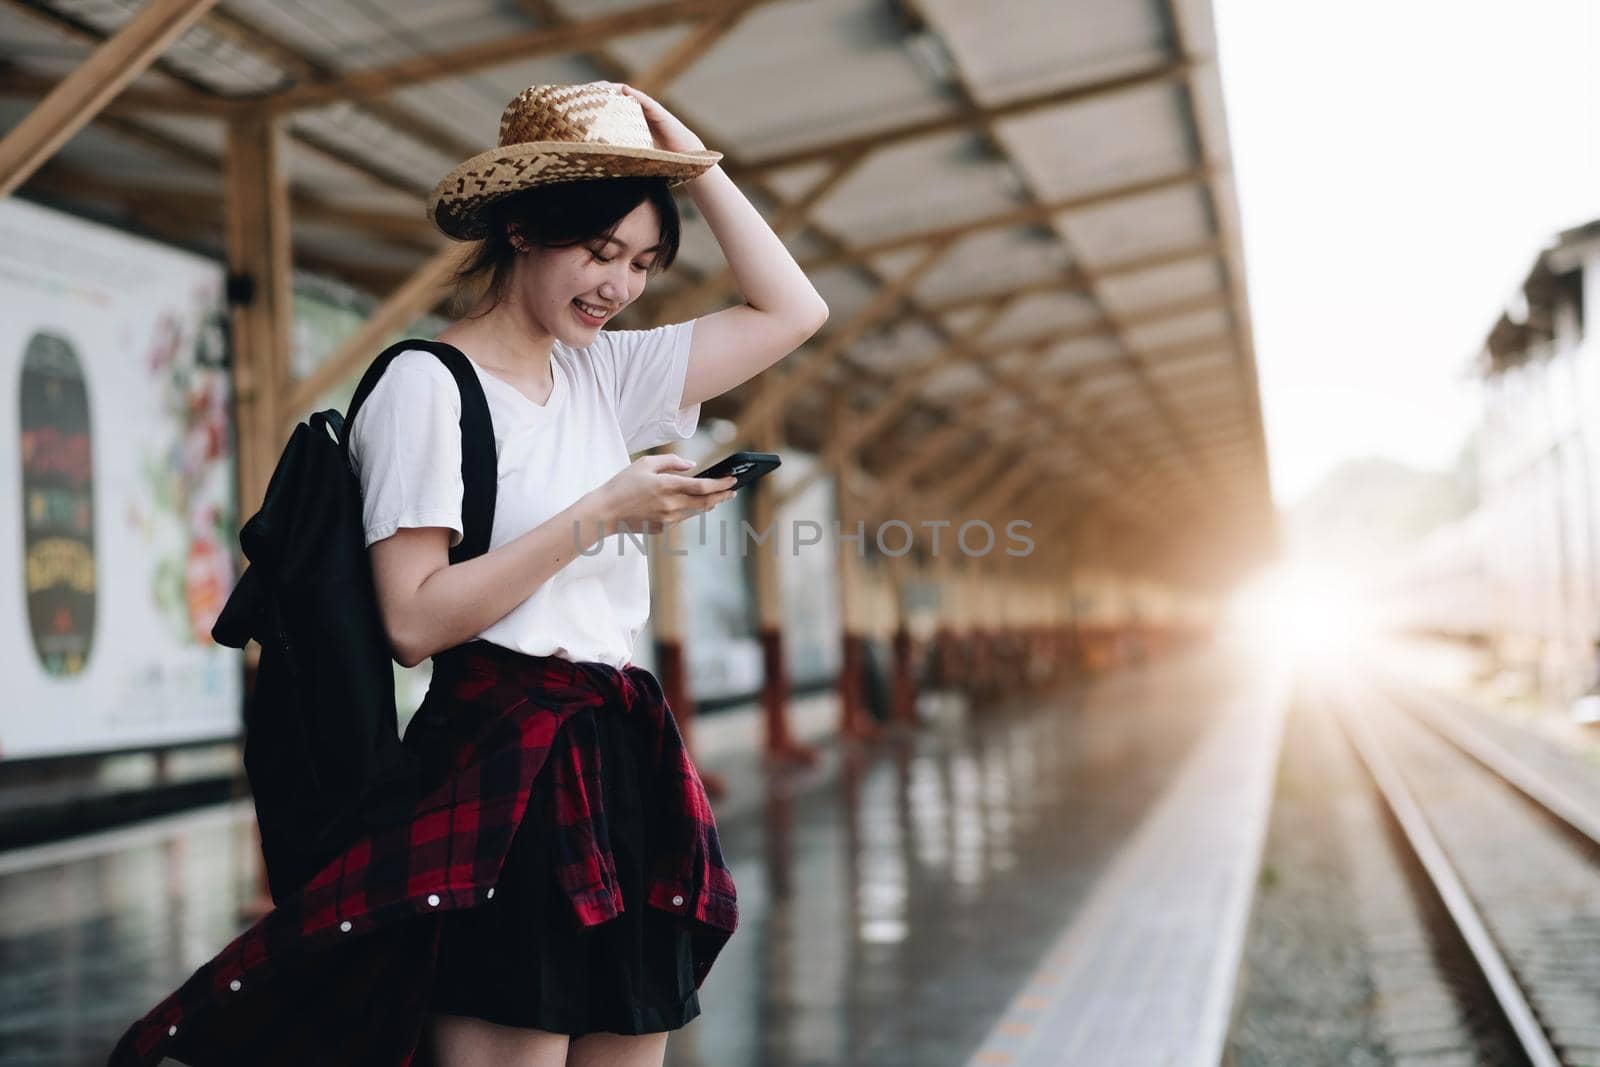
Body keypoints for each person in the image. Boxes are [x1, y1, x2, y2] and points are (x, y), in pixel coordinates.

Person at [107, 81, 827, 1067]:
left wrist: (691, 163)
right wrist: (601, 513)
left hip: (621, 757)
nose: (619, 285)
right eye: (600, 251)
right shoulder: (423, 386)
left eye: (645, 264)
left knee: (633, 1042)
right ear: (525, 227)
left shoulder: (604, 374)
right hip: (500, 758)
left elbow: (796, 306)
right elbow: (413, 618)